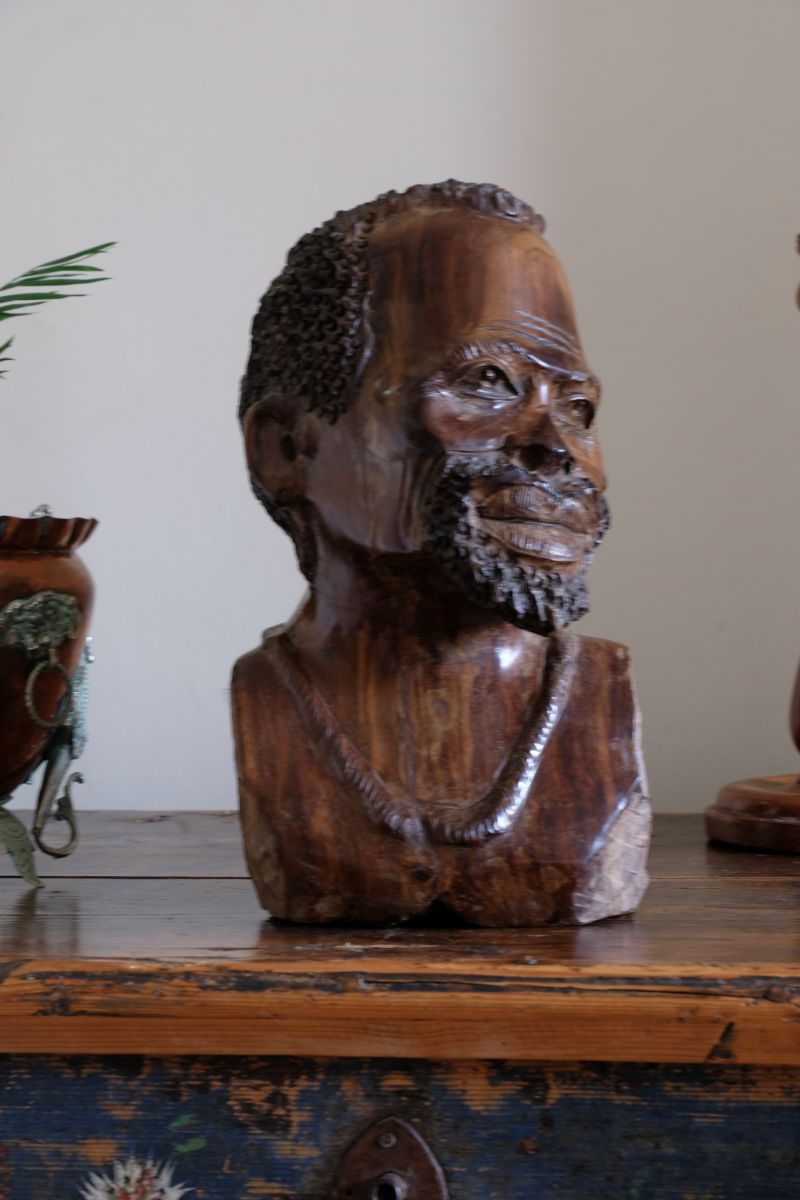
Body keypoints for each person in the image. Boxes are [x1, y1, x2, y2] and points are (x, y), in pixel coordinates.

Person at [233, 181, 650, 926]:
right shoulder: (267, 702)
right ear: (287, 447)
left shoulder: (603, 701)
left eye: (578, 408)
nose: (558, 448)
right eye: (486, 382)